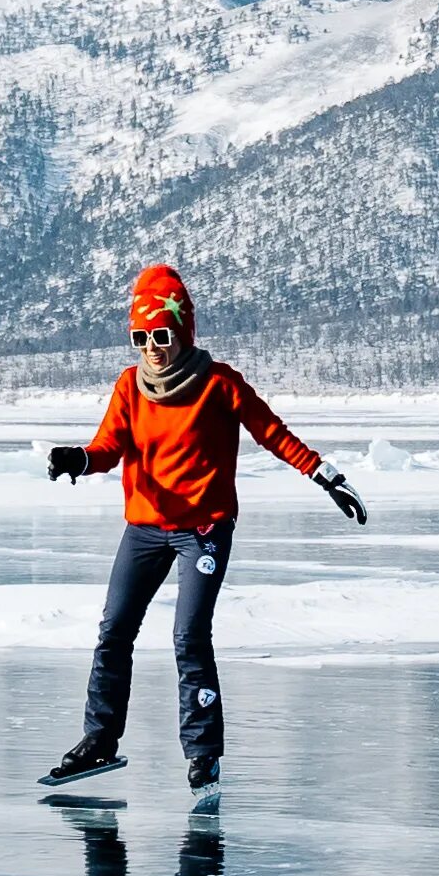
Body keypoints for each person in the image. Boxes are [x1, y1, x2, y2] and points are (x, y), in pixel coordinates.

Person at [45, 265, 366, 794]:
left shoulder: (219, 384)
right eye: (140, 338)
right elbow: (108, 448)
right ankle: (100, 739)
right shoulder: (129, 387)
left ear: (183, 332)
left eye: (162, 335)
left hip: (204, 529)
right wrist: (78, 458)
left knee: (188, 636)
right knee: (113, 631)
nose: (152, 348)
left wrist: (326, 476)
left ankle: (203, 754)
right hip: (145, 528)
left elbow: (273, 434)